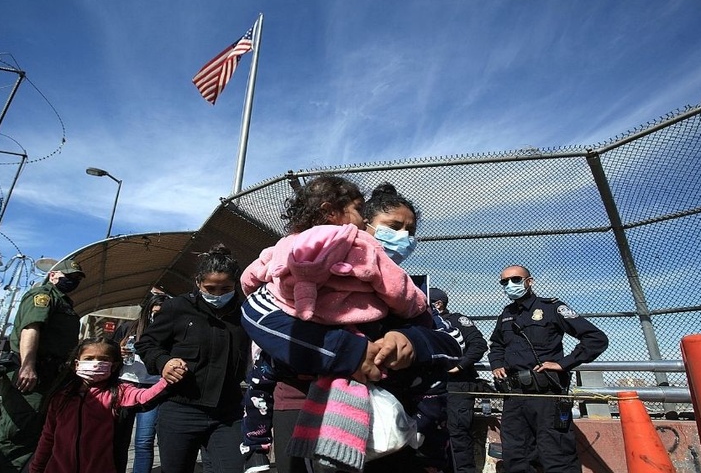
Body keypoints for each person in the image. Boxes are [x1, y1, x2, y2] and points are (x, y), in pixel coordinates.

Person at [240, 180, 465, 473]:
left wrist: (412, 341)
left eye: (410, 231)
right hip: (303, 409)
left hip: (390, 418)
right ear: (363, 225)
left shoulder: (402, 288)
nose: (403, 237)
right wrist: (353, 354)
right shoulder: (283, 278)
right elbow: (258, 316)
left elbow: (453, 342)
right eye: (393, 226)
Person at [135, 244, 249, 473]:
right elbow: (147, 343)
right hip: (180, 410)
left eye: (225, 288)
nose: (218, 295)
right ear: (198, 283)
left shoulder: (246, 310)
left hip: (227, 414)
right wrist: (163, 362)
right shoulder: (177, 307)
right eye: (210, 288)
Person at [488, 265, 608, 473]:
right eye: (504, 282)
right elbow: (496, 344)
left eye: (515, 279)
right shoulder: (507, 314)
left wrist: (564, 363)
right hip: (513, 396)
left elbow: (595, 338)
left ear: (529, 281)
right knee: (516, 456)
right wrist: (497, 363)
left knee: (557, 456)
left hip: (546, 396)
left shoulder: (551, 308)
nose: (509, 285)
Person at [0, 258, 86, 473]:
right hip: (34, 374)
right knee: (17, 433)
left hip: (51, 375)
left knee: (37, 431)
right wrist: (28, 365)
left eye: (76, 279)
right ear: (53, 275)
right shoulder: (43, 296)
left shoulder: (64, 302)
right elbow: (31, 328)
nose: (72, 282)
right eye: (68, 277)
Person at [28, 337, 173, 473]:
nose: (96, 363)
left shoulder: (119, 392)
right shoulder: (61, 397)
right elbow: (48, 437)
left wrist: (168, 378)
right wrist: (36, 468)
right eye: (89, 359)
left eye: (103, 359)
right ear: (76, 364)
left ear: (114, 365)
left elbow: (143, 397)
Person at [429, 287, 489, 473]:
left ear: (438, 304)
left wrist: (461, 365)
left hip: (458, 384)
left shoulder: (456, 320)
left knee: (458, 434)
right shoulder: (423, 323)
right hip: (433, 386)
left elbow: (479, 344)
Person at [112, 293, 167, 473]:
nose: (158, 316)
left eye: (163, 313)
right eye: (155, 312)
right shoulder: (128, 329)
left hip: (152, 388)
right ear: (147, 311)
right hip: (125, 386)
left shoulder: (170, 332)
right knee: (119, 438)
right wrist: (116, 353)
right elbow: (107, 352)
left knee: (144, 441)